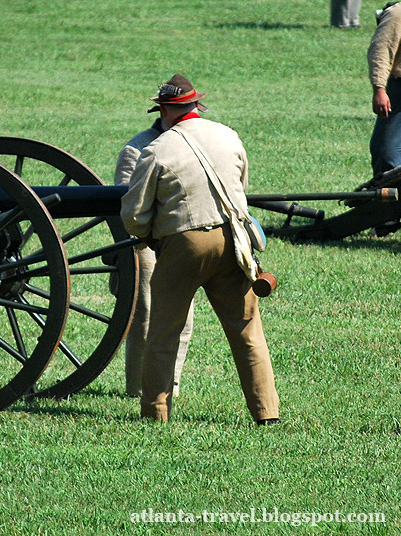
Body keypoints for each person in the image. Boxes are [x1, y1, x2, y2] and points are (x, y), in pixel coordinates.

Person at [120, 74, 280, 424]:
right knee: (247, 330)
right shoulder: (228, 136)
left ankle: (156, 413)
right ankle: (266, 412)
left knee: (164, 332)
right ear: (196, 106)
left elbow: (133, 216)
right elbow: (241, 189)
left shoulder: (156, 149)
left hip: (184, 245)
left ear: (163, 110)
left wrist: (152, 234)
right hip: (234, 241)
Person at [114, 113, 194, 399]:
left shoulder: (191, 141)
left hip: (180, 239)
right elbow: (128, 207)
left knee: (183, 319)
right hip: (144, 242)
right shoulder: (135, 150)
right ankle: (138, 389)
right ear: (164, 112)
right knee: (145, 318)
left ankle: (170, 387)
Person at [369, 2, 401, 177]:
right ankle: (388, 197)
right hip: (399, 88)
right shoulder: (398, 14)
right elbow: (381, 51)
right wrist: (379, 89)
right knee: (386, 151)